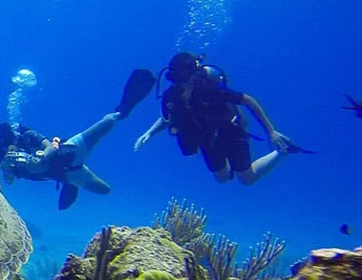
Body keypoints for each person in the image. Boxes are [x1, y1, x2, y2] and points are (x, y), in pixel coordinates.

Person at [133, 52, 310, 185]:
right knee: (223, 178)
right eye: (175, 78)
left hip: (230, 132)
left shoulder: (211, 89)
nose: (180, 83)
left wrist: (271, 132)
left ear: (194, 74)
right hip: (205, 139)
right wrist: (148, 133)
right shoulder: (172, 95)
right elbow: (168, 118)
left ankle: (282, 151)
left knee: (246, 179)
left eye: (184, 77)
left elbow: (249, 101)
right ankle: (235, 165)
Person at [0, 68, 156, 209]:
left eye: (9, 140)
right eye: (4, 143)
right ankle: (70, 186)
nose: (8, 146)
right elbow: (9, 181)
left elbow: (50, 146)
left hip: (70, 151)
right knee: (104, 190)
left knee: (107, 122)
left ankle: (123, 109)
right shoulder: (2, 155)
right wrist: (7, 166)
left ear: (15, 136)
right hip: (66, 176)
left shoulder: (27, 136)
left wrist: (41, 156)